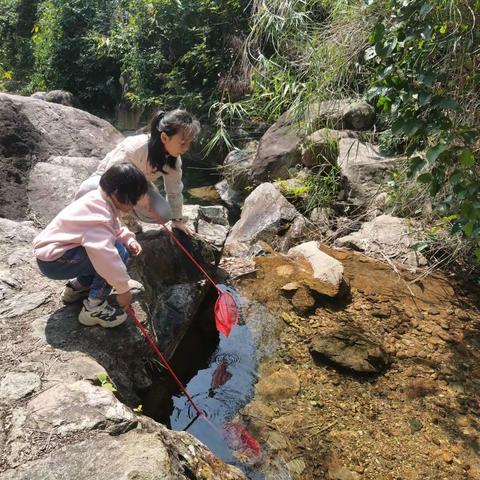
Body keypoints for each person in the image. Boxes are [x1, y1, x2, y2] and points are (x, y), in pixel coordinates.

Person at [33, 163, 149, 328]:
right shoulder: (99, 216)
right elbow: (105, 257)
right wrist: (123, 289)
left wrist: (128, 238)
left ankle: (79, 287)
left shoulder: (98, 199)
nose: (134, 204)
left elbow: (112, 226)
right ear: (117, 194)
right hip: (56, 261)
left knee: (112, 248)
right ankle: (93, 307)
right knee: (117, 254)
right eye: (133, 199)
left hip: (54, 256)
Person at [76, 109, 201, 235]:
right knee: (87, 189)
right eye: (183, 143)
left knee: (164, 213)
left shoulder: (173, 160)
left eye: (189, 143)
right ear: (164, 137)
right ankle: (116, 220)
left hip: (140, 184)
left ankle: (128, 214)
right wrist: (136, 195)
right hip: (110, 179)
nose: (186, 148)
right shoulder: (136, 147)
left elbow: (174, 190)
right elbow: (111, 175)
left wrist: (177, 220)